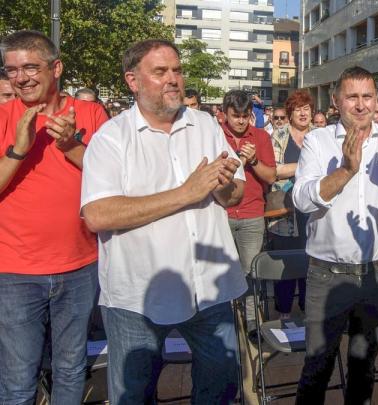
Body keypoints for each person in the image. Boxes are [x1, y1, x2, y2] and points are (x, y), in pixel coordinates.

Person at [80, 39, 247, 404]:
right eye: (160, 72)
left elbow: (235, 193)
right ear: (132, 81)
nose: (173, 79)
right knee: (133, 395)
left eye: (177, 70)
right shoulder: (111, 139)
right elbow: (97, 214)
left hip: (209, 290)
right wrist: (186, 193)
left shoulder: (205, 124)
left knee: (221, 385)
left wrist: (222, 188)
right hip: (137, 298)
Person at [292, 66, 378, 404]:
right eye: (352, 96)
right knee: (317, 367)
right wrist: (347, 169)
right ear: (337, 101)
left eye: (368, 96)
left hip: (377, 272)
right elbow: (302, 199)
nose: (361, 104)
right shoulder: (318, 140)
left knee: (364, 368)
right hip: (327, 274)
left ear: (377, 100)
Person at [0, 30, 108, 404]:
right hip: (14, 270)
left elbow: (112, 180)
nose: (21, 77)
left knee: (71, 368)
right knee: (16, 380)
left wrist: (70, 145)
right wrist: (18, 149)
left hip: (80, 265)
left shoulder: (91, 113)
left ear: (56, 67)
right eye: (12, 70)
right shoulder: (2, 116)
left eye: (31, 66)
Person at [221, 90, 276, 331]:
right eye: (236, 116)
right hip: (221, 214)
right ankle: (225, 319)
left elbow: (271, 176)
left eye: (245, 116)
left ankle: (253, 320)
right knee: (222, 271)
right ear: (224, 114)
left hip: (252, 214)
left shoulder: (261, 137)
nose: (241, 121)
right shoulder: (214, 135)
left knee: (251, 271)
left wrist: (253, 162)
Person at [268, 90, 314, 319]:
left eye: (307, 108)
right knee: (286, 266)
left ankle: (308, 312)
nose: (303, 113)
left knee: (312, 265)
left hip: (314, 213)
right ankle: (284, 314)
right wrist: (306, 165)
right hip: (285, 212)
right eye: (298, 109)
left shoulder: (320, 135)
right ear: (290, 113)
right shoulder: (278, 136)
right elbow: (274, 170)